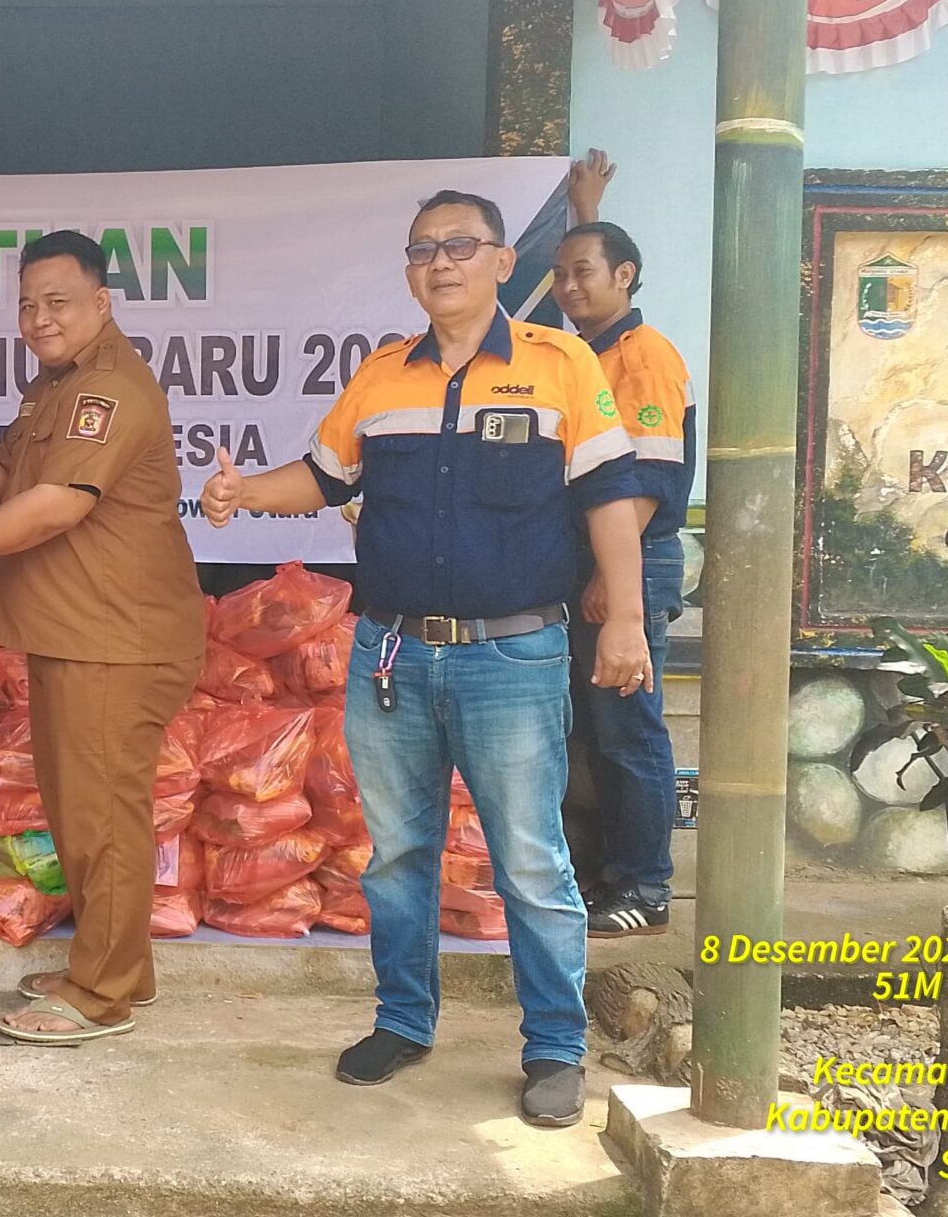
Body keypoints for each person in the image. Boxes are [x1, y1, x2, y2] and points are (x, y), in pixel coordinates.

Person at [200, 190, 653, 1128]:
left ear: (501, 262)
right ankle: (403, 1021)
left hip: (513, 655)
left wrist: (627, 620)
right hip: (393, 656)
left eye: (460, 245)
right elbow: (323, 477)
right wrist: (244, 495)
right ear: (409, 272)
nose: (441, 262)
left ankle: (554, 1047)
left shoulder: (559, 364)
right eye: (422, 250)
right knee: (397, 855)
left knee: (530, 861)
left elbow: (612, 494)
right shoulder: (382, 377)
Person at [0, 230, 206, 1044]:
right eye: (28, 304)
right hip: (78, 633)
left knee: (103, 817)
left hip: (116, 636)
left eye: (57, 302)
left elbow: (59, 503)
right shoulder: (55, 386)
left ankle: (100, 996)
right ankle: (120, 969)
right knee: (82, 812)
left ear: (102, 303)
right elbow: (4, 471)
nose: (39, 319)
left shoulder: (111, 390)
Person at [551, 154, 694, 939]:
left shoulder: (645, 356)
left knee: (629, 731)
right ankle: (600, 876)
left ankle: (644, 886)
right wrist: (587, 210)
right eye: (561, 275)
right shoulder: (589, 353)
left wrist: (616, 580)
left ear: (626, 277)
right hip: (591, 565)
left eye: (584, 273)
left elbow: (646, 480)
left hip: (631, 559)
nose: (569, 286)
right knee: (591, 732)